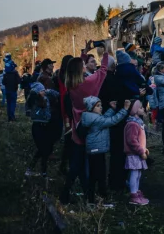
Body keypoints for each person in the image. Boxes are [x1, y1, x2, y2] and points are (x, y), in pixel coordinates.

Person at [60, 41, 112, 205]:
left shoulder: (71, 84)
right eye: (83, 64)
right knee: (97, 165)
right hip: (92, 128)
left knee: (77, 164)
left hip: (78, 128)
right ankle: (95, 196)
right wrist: (105, 52)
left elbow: (74, 67)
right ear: (81, 68)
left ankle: (66, 193)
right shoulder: (87, 84)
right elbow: (103, 71)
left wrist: (84, 52)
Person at [78, 96, 130, 205]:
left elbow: (104, 118)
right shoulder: (96, 120)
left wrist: (111, 108)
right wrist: (124, 109)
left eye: (100, 105)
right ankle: (102, 198)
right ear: (91, 108)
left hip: (94, 150)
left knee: (94, 175)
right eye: (98, 106)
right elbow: (112, 121)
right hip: (98, 150)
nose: (101, 108)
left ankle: (91, 199)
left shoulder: (91, 117)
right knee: (100, 175)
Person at [111, 50, 151, 191]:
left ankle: (118, 181)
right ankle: (127, 184)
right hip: (127, 112)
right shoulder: (129, 70)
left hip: (120, 114)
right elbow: (141, 81)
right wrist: (138, 92)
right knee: (132, 140)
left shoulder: (116, 74)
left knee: (120, 148)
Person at [26, 83, 59, 177]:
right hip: (37, 127)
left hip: (46, 126)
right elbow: (28, 110)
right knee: (42, 150)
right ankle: (34, 170)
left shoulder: (46, 98)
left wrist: (48, 90)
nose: (44, 91)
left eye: (44, 90)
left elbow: (57, 94)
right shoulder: (34, 100)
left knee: (46, 150)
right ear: (36, 92)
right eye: (41, 90)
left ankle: (42, 172)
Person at [124, 100, 150, 205]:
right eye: (140, 107)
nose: (143, 109)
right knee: (135, 174)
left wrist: (144, 149)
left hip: (138, 153)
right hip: (134, 153)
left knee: (138, 173)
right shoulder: (132, 124)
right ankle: (133, 194)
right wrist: (140, 151)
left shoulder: (137, 122)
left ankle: (136, 192)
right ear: (135, 110)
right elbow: (132, 141)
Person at [54, 55, 73, 176]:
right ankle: (66, 164)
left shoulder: (60, 75)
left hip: (63, 106)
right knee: (69, 136)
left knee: (69, 136)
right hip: (68, 106)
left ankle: (65, 164)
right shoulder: (66, 76)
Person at [2, 56, 20, 122]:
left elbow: (3, 82)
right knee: (13, 104)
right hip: (13, 90)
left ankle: (9, 118)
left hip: (7, 90)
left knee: (8, 104)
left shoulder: (6, 74)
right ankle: (12, 117)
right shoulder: (15, 73)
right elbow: (19, 81)